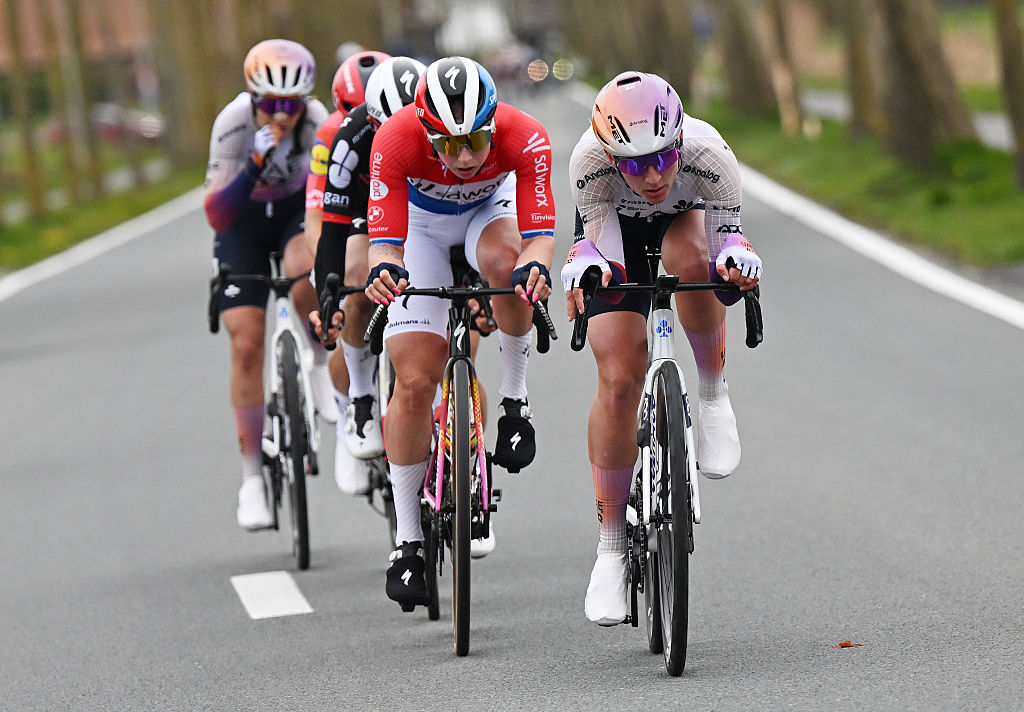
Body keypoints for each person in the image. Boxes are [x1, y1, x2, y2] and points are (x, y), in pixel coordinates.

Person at [560, 71, 762, 626]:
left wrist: (739, 263)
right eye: (631, 163)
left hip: (684, 222)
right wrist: (585, 270)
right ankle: (609, 546)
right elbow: (594, 243)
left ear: (678, 141)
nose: (650, 175)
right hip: (617, 230)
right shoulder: (588, 162)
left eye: (661, 158)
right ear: (608, 155)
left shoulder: (709, 154)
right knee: (620, 380)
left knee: (693, 260)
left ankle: (714, 396)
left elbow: (729, 240)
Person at [362, 56, 556, 610]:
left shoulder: (526, 135)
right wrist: (383, 269)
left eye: (475, 141)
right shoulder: (396, 140)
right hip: (419, 229)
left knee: (508, 265)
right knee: (415, 382)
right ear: (424, 128)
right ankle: (408, 542)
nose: (466, 157)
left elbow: (539, 234)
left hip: (486, 217)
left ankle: (516, 403)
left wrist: (532, 266)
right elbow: (385, 241)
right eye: (448, 145)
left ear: (495, 123)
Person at [204, 39, 331, 530]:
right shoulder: (233, 124)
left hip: (296, 215)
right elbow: (217, 213)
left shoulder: (318, 121)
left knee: (306, 275)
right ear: (253, 98)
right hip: (243, 221)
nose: (282, 115)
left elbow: (331, 199)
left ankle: (319, 363)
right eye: (271, 104)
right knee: (247, 345)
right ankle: (252, 478)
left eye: (291, 105)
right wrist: (253, 167)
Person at [307, 55, 425, 494]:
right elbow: (327, 227)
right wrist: (329, 295)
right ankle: (359, 398)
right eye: (387, 131)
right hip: (364, 211)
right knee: (357, 276)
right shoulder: (347, 135)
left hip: (427, 208)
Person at [303, 49, 390, 493]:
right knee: (356, 286)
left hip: (410, 201)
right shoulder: (335, 133)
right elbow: (319, 218)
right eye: (350, 111)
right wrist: (329, 289)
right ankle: (351, 412)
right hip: (356, 209)